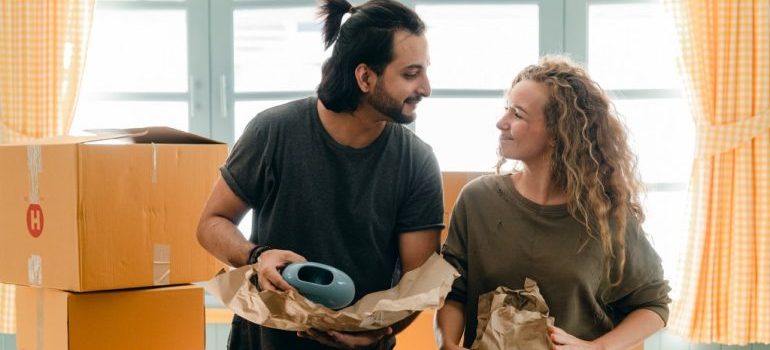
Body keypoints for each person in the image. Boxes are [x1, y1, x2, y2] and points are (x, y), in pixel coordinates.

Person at [196, 0, 443, 349]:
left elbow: (416, 283)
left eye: (425, 71)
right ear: (365, 77)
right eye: (410, 74)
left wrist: (374, 335)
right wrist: (257, 256)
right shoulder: (273, 131)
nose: (426, 88)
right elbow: (211, 223)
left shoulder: (417, 162)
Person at [435, 56, 671, 350]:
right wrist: (447, 343)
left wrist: (597, 348)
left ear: (559, 133)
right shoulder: (477, 200)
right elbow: (452, 292)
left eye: (517, 115)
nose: (501, 122)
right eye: (506, 108)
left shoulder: (606, 214)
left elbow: (654, 305)